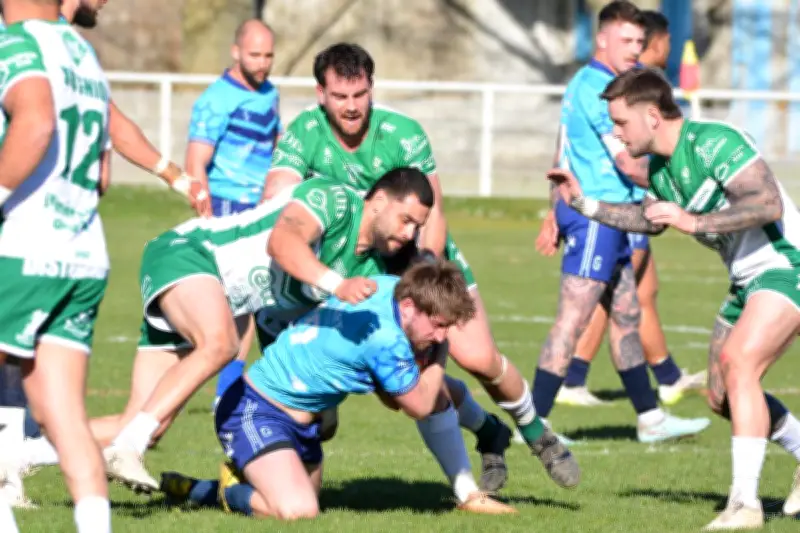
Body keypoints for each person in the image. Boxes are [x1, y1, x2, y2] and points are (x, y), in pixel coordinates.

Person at [262, 42, 579, 493]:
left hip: (420, 257)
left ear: (372, 89)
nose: (351, 107)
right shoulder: (303, 132)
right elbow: (277, 197)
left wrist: (429, 276)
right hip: (362, 270)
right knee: (399, 394)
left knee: (477, 357)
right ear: (320, 93)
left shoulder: (402, 134)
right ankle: (487, 432)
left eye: (360, 95)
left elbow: (433, 213)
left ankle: (536, 433)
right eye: (340, 96)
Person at [548, 66, 800, 530]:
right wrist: (583, 204)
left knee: (740, 362)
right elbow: (649, 218)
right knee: (720, 395)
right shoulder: (663, 170)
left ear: (652, 116)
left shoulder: (715, 140)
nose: (616, 133)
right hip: (746, 281)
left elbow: (767, 204)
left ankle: (744, 506)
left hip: (788, 266)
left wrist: (695, 222)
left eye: (621, 123)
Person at [92, 170, 438, 494]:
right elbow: (282, 242)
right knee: (221, 343)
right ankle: (127, 447)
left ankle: (37, 449)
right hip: (191, 254)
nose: (409, 233)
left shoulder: (369, 269)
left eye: (417, 227)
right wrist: (337, 285)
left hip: (214, 295)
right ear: (377, 201)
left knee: (144, 420)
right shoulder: (334, 199)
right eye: (405, 220)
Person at [0, 0, 209, 497]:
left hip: (32, 223)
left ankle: (8, 474)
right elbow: (87, 154)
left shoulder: (68, 47)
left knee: (17, 357)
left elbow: (108, 131)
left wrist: (175, 177)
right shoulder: (39, 41)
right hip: (39, 220)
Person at [161, 261, 515, 518]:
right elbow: (419, 406)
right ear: (409, 307)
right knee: (299, 511)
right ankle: (228, 489)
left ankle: (196, 490)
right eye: (439, 326)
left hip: (303, 423)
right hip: (255, 410)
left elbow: (402, 397)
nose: (440, 336)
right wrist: (440, 354)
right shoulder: (385, 340)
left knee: (298, 499)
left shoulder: (388, 287)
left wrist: (432, 352)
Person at [530, 0, 709, 444]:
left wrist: (553, 209)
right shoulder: (600, 91)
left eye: (639, 41)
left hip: (606, 217)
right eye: (627, 40)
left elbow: (561, 154)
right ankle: (532, 424)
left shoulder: (588, 83)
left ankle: (651, 418)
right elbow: (628, 164)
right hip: (598, 217)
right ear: (602, 38)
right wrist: (682, 188)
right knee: (572, 319)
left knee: (627, 314)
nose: (636, 48)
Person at [0, 0, 113, 531]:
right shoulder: (82, 52)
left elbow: (37, 121)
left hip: (25, 248)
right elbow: (104, 175)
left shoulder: (17, 44)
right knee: (64, 417)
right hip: (84, 252)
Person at [184, 19, 282, 409]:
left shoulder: (270, 93)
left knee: (266, 303)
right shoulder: (215, 100)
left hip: (265, 210)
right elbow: (196, 161)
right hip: (227, 208)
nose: (263, 63)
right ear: (236, 52)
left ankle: (260, 388)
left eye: (269, 55)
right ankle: (226, 392)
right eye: (255, 55)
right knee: (237, 309)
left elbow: (276, 147)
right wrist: (207, 215)